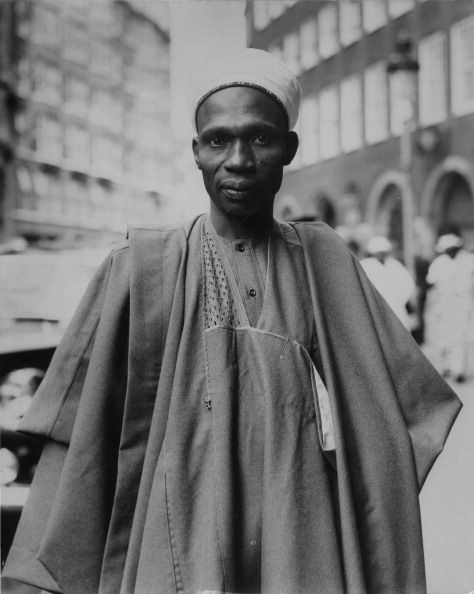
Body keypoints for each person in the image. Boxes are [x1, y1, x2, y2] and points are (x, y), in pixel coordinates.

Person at [3, 49, 461, 594]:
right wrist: (37, 573)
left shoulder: (323, 261)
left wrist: (337, 507)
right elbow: (79, 429)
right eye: (218, 140)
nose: (239, 159)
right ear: (196, 151)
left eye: (260, 138)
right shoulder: (141, 266)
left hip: (294, 542)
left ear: (289, 148)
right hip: (175, 536)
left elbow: (408, 412)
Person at [426, 232, 474, 383]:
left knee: (459, 337)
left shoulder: (468, 260)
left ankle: (458, 370)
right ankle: (447, 366)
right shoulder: (440, 262)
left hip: (462, 303)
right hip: (444, 304)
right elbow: (431, 283)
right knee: (444, 337)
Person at [361, 235, 416, 330]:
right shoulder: (365, 265)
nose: (381, 255)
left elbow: (407, 284)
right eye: (379, 252)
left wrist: (400, 299)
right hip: (374, 308)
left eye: (383, 252)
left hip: (396, 307)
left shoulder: (394, 265)